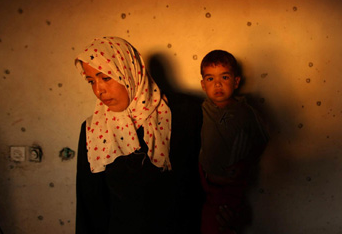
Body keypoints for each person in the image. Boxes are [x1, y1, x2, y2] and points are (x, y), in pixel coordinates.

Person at [74, 37, 203, 233]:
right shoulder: (94, 129)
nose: (99, 90)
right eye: (91, 81)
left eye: (106, 77)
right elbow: (90, 204)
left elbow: (201, 183)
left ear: (129, 71)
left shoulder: (183, 115)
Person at [198, 50, 269, 234]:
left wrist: (244, 165)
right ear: (203, 85)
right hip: (206, 185)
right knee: (207, 222)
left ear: (236, 82)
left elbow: (262, 140)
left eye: (224, 77)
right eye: (210, 79)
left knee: (224, 223)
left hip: (231, 186)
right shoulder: (203, 109)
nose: (218, 84)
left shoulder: (244, 112)